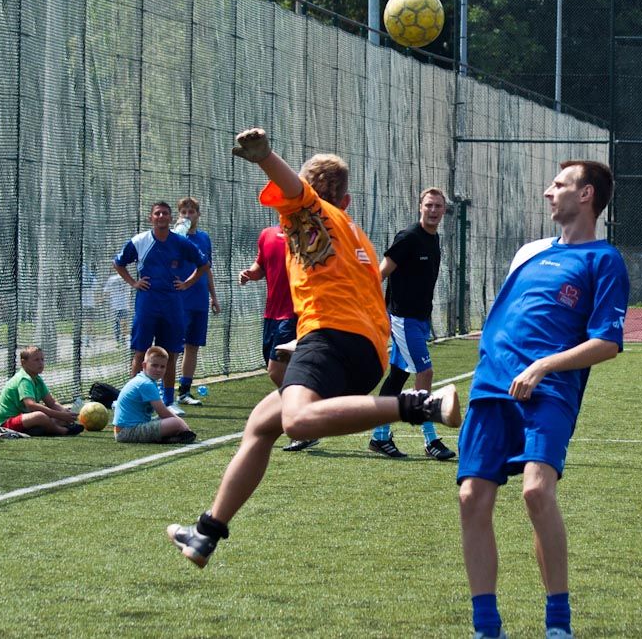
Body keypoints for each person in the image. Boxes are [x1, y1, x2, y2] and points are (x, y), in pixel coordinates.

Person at [166, 126, 461, 568]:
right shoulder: (354, 233)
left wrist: (266, 156)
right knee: (262, 425)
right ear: (348, 200)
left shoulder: (308, 210)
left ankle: (422, 405)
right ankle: (206, 534)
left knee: (298, 421)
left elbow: (293, 190)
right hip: (363, 348)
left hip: (331, 335)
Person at [457, 160, 628, 639]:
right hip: (492, 384)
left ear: (587, 194)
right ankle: (486, 628)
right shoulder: (530, 252)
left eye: (559, 184)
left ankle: (558, 624)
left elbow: (608, 343)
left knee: (536, 490)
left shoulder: (604, 260)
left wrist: (543, 366)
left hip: (549, 388)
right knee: (471, 497)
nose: (548, 192)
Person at [369, 187, 455, 460]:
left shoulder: (434, 239)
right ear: (420, 207)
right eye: (428, 205)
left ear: (444, 210)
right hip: (402, 319)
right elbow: (380, 274)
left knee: (398, 376)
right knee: (425, 372)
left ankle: (379, 436)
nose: (433, 211)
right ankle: (430, 439)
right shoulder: (407, 238)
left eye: (438, 206)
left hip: (420, 320)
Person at [113, 201, 210, 409]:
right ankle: (133, 399)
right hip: (147, 303)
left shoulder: (180, 242)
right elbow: (118, 262)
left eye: (165, 213)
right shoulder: (140, 240)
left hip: (173, 304)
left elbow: (203, 265)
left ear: (170, 218)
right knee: (141, 352)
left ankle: (168, 400)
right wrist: (133, 282)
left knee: (171, 353)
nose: (161, 217)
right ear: (151, 218)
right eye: (157, 214)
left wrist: (186, 283)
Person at [238, 225, 316, 452]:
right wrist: (251, 274)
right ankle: (306, 409)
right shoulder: (267, 234)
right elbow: (260, 265)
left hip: (294, 313)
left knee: (276, 369)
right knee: (275, 366)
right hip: (271, 312)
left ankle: (303, 420)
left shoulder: (309, 235)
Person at [174, 197, 221, 406]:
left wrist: (213, 296)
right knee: (174, 345)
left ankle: (184, 391)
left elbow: (206, 268)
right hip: (179, 299)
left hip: (199, 299)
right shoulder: (174, 238)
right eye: (184, 212)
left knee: (193, 345)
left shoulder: (204, 238)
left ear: (198, 215)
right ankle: (163, 389)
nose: (187, 215)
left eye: (191, 212)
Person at [0, 346, 84, 437]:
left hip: (26, 418)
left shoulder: (37, 379)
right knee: (40, 416)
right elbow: (31, 405)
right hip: (8, 423)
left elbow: (52, 403)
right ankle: (63, 431)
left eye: (42, 359)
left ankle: (44, 428)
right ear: (23, 362)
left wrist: (64, 413)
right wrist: (60, 415)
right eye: (36, 360)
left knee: (58, 416)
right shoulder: (24, 379)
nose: (41, 363)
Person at [113, 346, 196, 444]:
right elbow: (163, 413)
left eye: (162, 367)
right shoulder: (146, 384)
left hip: (125, 430)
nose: (159, 370)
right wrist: (184, 426)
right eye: (154, 365)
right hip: (127, 432)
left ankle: (168, 437)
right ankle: (169, 436)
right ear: (144, 365)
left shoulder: (146, 380)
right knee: (176, 423)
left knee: (169, 420)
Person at [103, 273, 131, 345]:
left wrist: (106, 299)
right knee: (123, 323)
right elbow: (130, 291)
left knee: (116, 323)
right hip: (124, 304)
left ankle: (118, 340)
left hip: (115, 305)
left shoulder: (112, 279)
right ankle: (123, 339)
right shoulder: (127, 277)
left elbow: (106, 292)